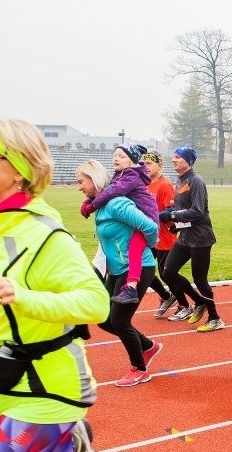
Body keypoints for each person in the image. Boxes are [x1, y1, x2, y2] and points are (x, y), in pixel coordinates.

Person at [0, 118, 108, 452]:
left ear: (19, 168)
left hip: (44, 394)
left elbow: (96, 302)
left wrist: (24, 297)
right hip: (4, 388)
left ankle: (63, 429)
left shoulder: (43, 235)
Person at [77, 160, 164, 387]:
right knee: (104, 318)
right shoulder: (101, 205)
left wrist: (147, 246)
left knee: (119, 320)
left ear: (94, 179)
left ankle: (140, 369)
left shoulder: (117, 203)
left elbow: (150, 226)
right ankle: (147, 346)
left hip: (138, 267)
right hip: (116, 270)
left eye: (81, 181)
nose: (79, 187)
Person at [80, 143, 159, 305]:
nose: (116, 158)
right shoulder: (121, 176)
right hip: (140, 222)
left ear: (132, 162)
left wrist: (92, 205)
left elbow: (112, 192)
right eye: (115, 155)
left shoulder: (131, 175)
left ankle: (131, 287)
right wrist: (89, 200)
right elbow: (107, 190)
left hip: (148, 218)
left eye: (122, 156)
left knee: (134, 250)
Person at [159, 145, 225, 331]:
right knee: (168, 272)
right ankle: (199, 301)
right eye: (173, 157)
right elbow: (182, 208)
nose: (173, 160)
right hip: (185, 236)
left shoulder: (196, 180)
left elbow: (197, 211)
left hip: (200, 238)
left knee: (200, 279)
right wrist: (176, 221)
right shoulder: (180, 180)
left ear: (188, 161)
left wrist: (172, 216)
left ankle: (215, 318)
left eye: (178, 157)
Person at [142, 150, 188, 318]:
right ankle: (166, 296)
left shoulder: (164, 185)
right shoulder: (145, 184)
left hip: (164, 236)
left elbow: (172, 211)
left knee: (166, 273)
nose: (145, 167)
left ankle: (185, 305)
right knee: (142, 269)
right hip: (148, 236)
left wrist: (154, 217)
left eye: (149, 163)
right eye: (143, 164)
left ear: (159, 165)